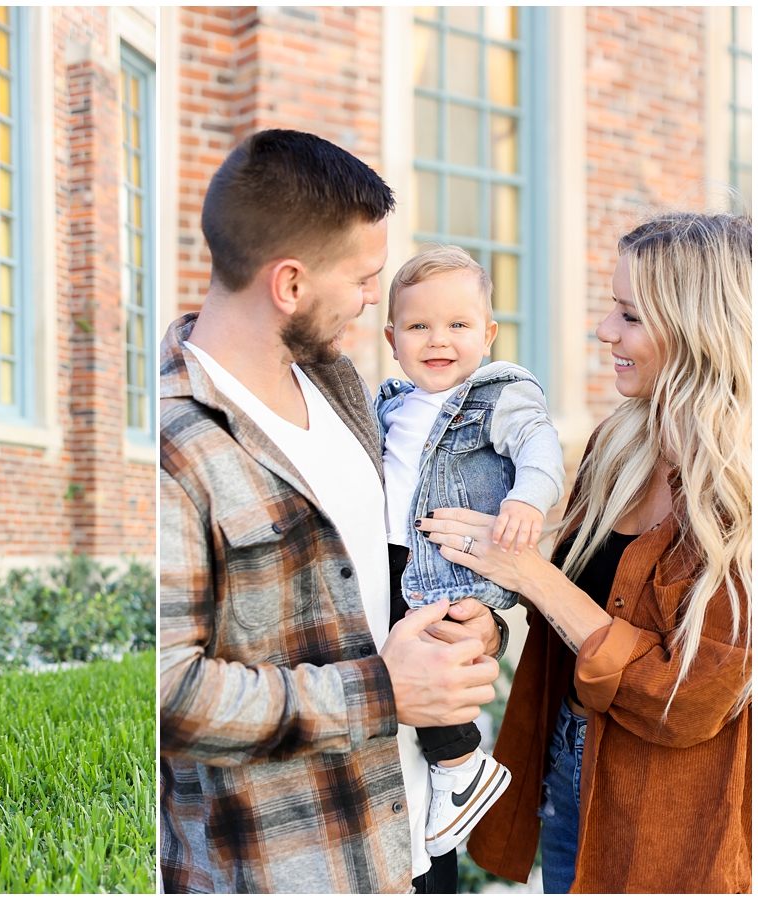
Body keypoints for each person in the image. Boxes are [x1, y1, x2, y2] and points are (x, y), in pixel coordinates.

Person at [159, 129, 503, 894]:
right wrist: (383, 692)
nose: (371, 302)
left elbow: (384, 570)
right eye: (363, 278)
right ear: (289, 285)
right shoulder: (171, 441)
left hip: (413, 839)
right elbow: (165, 688)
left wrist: (480, 617)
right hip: (294, 865)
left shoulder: (338, 382)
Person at [418, 212, 751, 892]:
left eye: (629, 315)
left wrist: (533, 575)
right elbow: (566, 614)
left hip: (667, 813)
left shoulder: (743, 492)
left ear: (696, 328)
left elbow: (692, 702)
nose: (605, 332)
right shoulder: (617, 446)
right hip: (569, 768)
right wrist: (491, 610)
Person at [376, 246, 565, 856]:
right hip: (392, 556)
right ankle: (446, 770)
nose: (439, 340)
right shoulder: (389, 403)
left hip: (446, 568)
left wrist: (526, 503)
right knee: (402, 661)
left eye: (458, 325)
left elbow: (540, 448)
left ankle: (461, 766)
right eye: (418, 326)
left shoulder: (497, 395)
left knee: (433, 661)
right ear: (392, 337)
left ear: (487, 335)